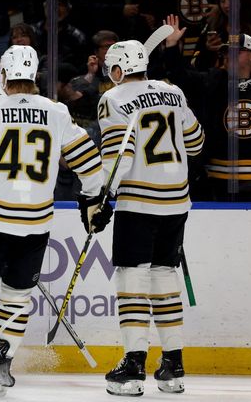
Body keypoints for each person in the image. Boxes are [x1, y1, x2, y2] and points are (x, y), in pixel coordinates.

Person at [0, 45, 110, 399]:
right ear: (34, 76)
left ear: (5, 77)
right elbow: (90, 163)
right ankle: (2, 366)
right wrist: (91, 197)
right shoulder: (57, 112)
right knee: (17, 299)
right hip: (35, 227)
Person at [97, 36, 204, 396]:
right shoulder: (172, 91)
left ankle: (133, 365)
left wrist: (101, 198)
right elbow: (196, 142)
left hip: (139, 202)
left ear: (117, 69)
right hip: (176, 201)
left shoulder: (113, 98)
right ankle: (173, 364)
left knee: (131, 280)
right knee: (163, 275)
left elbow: (118, 157)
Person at [163, 14, 251, 201]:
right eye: (225, 52)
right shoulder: (213, 81)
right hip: (217, 180)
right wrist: (172, 46)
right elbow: (180, 76)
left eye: (236, 51)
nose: (229, 56)